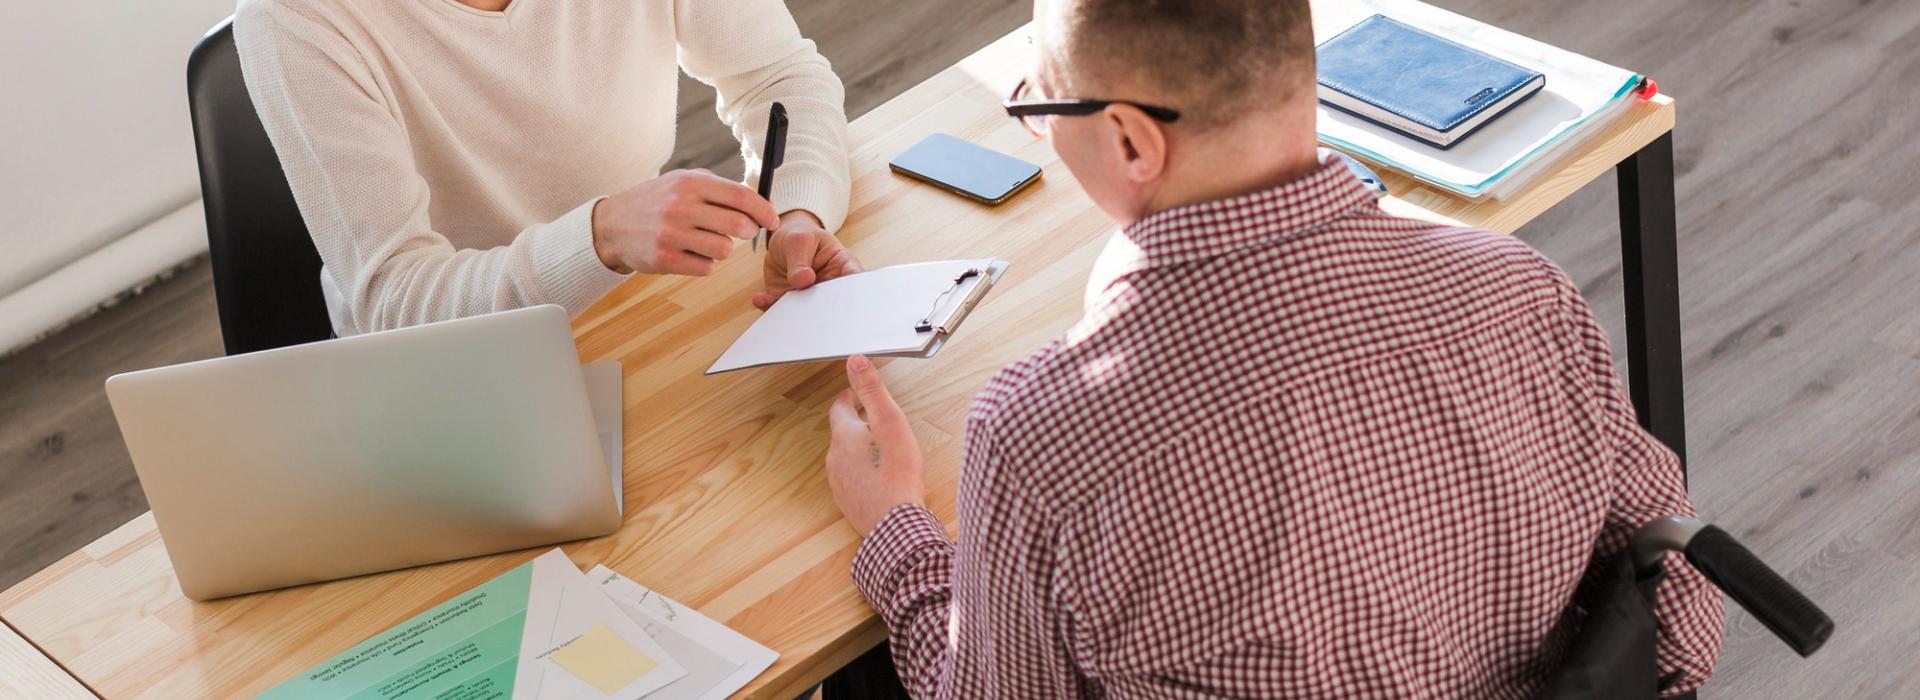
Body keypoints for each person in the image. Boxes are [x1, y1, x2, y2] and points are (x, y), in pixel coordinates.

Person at [819, 0, 1724, 697]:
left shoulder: (1043, 439)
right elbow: (1674, 583)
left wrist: (897, 530)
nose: (1039, 127)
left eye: (1040, 103)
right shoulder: (1518, 292)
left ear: (1132, 138)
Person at [235, 0, 859, 336]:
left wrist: (796, 213)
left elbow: (778, 77)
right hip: (461, 370)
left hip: (637, 305)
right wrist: (601, 238)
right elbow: (396, 300)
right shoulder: (293, 18)